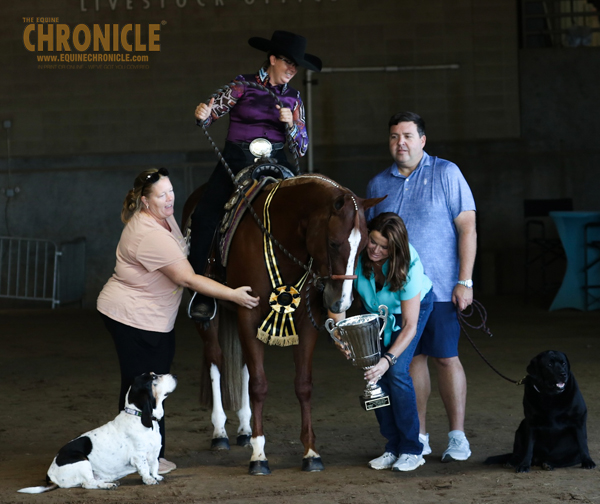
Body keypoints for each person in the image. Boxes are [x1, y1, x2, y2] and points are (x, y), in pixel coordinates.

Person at [97, 167, 260, 474]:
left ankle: (148, 454)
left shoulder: (164, 218)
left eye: (171, 191)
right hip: (132, 318)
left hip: (153, 318)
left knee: (147, 387)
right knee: (141, 389)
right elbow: (188, 279)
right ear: (145, 201)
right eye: (162, 195)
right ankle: (143, 457)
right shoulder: (147, 233)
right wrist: (233, 295)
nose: (170, 198)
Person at [366, 111, 477, 463]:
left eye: (408, 136)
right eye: (395, 136)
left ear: (422, 140)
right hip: (399, 293)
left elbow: (468, 228)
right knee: (411, 360)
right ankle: (420, 435)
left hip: (442, 286)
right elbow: (373, 244)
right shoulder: (377, 185)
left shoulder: (447, 173)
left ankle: (457, 436)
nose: (401, 142)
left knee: (445, 358)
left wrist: (465, 280)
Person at [189, 30, 322, 320]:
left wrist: (291, 125)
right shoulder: (242, 85)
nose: (292, 69)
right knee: (205, 214)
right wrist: (203, 113)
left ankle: (308, 288)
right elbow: (213, 110)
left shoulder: (295, 99)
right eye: (287, 62)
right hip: (237, 157)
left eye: (295, 65)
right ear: (272, 59)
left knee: (304, 215)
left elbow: (301, 146)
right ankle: (202, 290)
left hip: (276, 159)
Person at [329, 212, 433, 472]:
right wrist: (339, 337)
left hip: (409, 312)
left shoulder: (409, 264)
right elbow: (338, 298)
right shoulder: (356, 254)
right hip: (378, 313)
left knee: (396, 372)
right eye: (373, 241)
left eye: (384, 247)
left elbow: (410, 325)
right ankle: (392, 446)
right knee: (373, 376)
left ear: (395, 248)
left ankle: (412, 449)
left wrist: (388, 359)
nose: (375, 250)